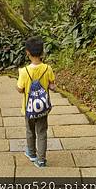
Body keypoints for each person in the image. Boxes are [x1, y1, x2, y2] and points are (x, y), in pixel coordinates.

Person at [17, 36, 56, 168]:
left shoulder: (24, 71)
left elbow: (20, 89)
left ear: (27, 52)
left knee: (30, 131)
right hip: (43, 108)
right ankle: (41, 160)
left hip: (28, 109)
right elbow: (51, 85)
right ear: (42, 52)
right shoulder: (47, 68)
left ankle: (32, 153)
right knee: (42, 132)